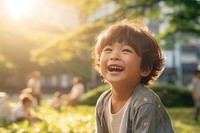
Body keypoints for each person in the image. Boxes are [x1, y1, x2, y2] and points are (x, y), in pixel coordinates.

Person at [93, 19, 175, 133]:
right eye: (108, 50)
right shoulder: (103, 102)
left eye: (125, 50)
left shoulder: (145, 103)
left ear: (145, 69)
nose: (114, 56)